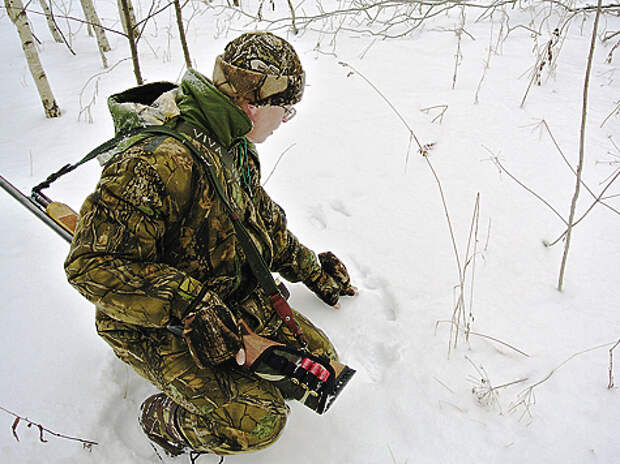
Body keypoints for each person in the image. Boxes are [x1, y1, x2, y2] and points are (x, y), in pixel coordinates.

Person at [64, 31, 357, 457]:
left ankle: (233, 376)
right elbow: (90, 265)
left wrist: (315, 273)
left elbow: (262, 230)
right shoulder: (155, 162)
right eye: (285, 110)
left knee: (318, 362)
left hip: (225, 299)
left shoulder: (235, 147)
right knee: (259, 423)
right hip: (154, 321)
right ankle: (164, 420)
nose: (285, 121)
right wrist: (191, 303)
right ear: (254, 103)